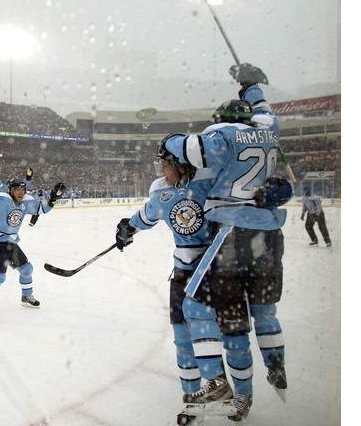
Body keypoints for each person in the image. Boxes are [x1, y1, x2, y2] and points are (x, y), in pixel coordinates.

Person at [160, 63, 293, 422]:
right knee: (264, 313)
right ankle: (276, 365)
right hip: (270, 238)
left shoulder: (223, 136)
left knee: (195, 308)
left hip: (235, 234)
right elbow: (263, 107)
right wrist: (251, 85)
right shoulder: (267, 126)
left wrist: (169, 140)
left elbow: (194, 149)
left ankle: (216, 382)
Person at [115, 136, 253, 425]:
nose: (161, 172)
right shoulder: (161, 192)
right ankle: (194, 401)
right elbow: (147, 215)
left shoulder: (212, 181)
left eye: (165, 165)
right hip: (183, 272)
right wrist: (128, 227)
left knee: (234, 337)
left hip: (221, 268)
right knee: (183, 340)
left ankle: (242, 394)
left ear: (182, 163)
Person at [0, 169, 65, 322]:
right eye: (18, 189)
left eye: (23, 189)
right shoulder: (2, 198)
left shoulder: (26, 202)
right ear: (11, 190)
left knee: (27, 269)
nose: (21, 192)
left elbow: (42, 208)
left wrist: (54, 197)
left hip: (11, 243)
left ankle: (26, 296)